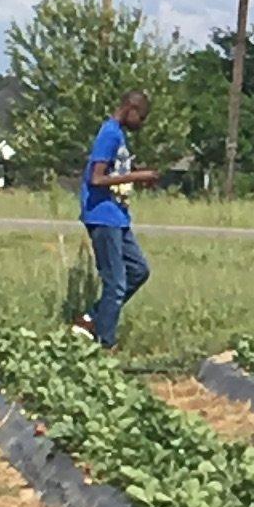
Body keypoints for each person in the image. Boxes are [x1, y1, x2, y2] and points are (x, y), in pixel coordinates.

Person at [81, 89, 153, 348]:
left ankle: (92, 318)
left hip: (118, 216)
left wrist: (137, 173)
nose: (141, 124)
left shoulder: (119, 136)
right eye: (141, 118)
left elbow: (116, 169)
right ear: (129, 109)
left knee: (139, 271)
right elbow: (97, 178)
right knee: (116, 282)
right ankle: (104, 344)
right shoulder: (109, 133)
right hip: (102, 215)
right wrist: (136, 177)